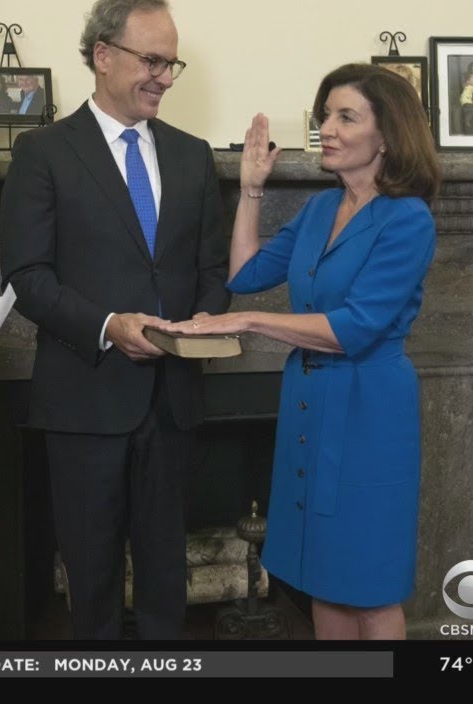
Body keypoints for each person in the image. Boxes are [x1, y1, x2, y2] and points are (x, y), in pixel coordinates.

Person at [160, 63, 441, 640]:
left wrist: (248, 321)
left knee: (368, 585)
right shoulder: (318, 210)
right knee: (324, 577)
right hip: (310, 399)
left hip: (370, 411)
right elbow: (243, 273)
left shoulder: (408, 219)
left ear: (387, 134)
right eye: (324, 117)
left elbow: (354, 329)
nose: (327, 129)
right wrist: (252, 189)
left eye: (346, 117)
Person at [0, 0, 229, 640]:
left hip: (174, 402)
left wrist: (199, 324)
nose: (164, 78)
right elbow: (27, 278)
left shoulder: (191, 155)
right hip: (85, 401)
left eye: (171, 64)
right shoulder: (43, 153)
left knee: (165, 580)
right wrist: (108, 327)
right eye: (152, 61)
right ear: (103, 55)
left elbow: (213, 274)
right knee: (92, 583)